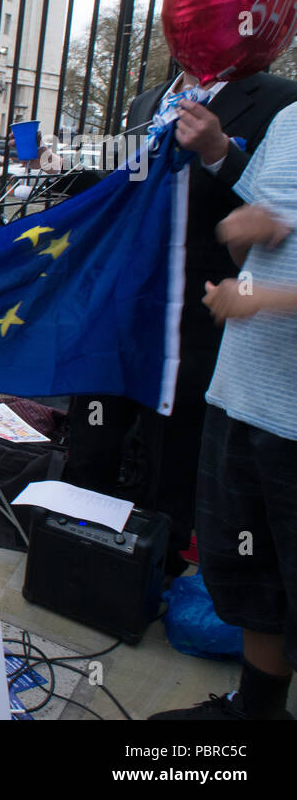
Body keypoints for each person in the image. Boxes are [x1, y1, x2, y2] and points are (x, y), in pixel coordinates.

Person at [64, 67, 297, 578]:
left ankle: (154, 570)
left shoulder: (279, 100)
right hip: (121, 302)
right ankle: (76, 554)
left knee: (171, 450)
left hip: (198, 310)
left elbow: (267, 215)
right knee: (95, 432)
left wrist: (217, 151)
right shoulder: (148, 99)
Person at [151, 100, 297, 720]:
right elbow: (264, 241)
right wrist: (250, 234)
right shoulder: (290, 121)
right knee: (255, 583)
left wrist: (270, 297)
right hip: (242, 397)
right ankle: (256, 713)